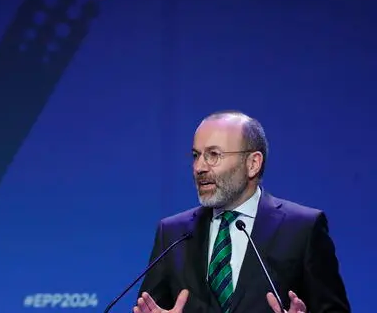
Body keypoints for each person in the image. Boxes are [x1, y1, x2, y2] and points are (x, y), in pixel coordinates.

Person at [134, 111, 350, 313]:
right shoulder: (173, 233)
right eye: (195, 155)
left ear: (253, 164)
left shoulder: (303, 229)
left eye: (213, 155)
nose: (199, 167)